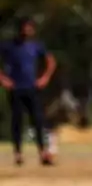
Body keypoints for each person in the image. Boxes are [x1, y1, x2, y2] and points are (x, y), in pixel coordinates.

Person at [0, 17, 57, 167]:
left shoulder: (36, 46)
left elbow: (51, 61)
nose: (27, 30)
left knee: (38, 120)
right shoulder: (8, 46)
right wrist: (3, 79)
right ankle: (18, 153)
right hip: (16, 88)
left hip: (32, 87)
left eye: (30, 27)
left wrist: (45, 77)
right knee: (17, 121)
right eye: (25, 27)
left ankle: (43, 153)